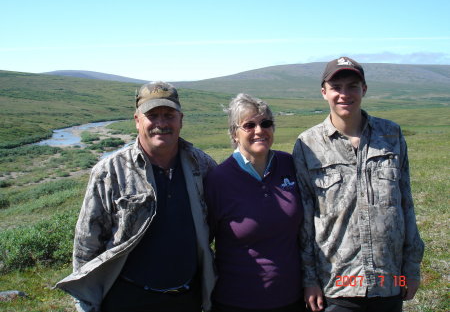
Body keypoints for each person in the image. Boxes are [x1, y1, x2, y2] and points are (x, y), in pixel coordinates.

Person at [56, 81, 217, 312]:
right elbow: (87, 241)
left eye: (169, 115)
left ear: (181, 119)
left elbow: (216, 224)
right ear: (137, 120)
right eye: (152, 115)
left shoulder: (202, 165)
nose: (161, 123)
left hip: (187, 297)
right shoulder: (110, 171)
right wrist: (86, 302)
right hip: (127, 298)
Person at [292, 57, 425, 312]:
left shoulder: (391, 135)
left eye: (352, 86)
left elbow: (406, 203)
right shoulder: (307, 144)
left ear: (364, 89)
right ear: (324, 92)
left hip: (389, 281)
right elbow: (306, 219)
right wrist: (309, 280)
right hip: (336, 285)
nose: (344, 94)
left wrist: (411, 267)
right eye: (336, 87)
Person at [205, 93, 306, 312]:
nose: (259, 130)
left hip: (292, 298)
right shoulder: (218, 180)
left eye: (266, 123)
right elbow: (204, 241)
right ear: (234, 133)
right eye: (249, 125)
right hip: (236, 301)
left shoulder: (290, 165)